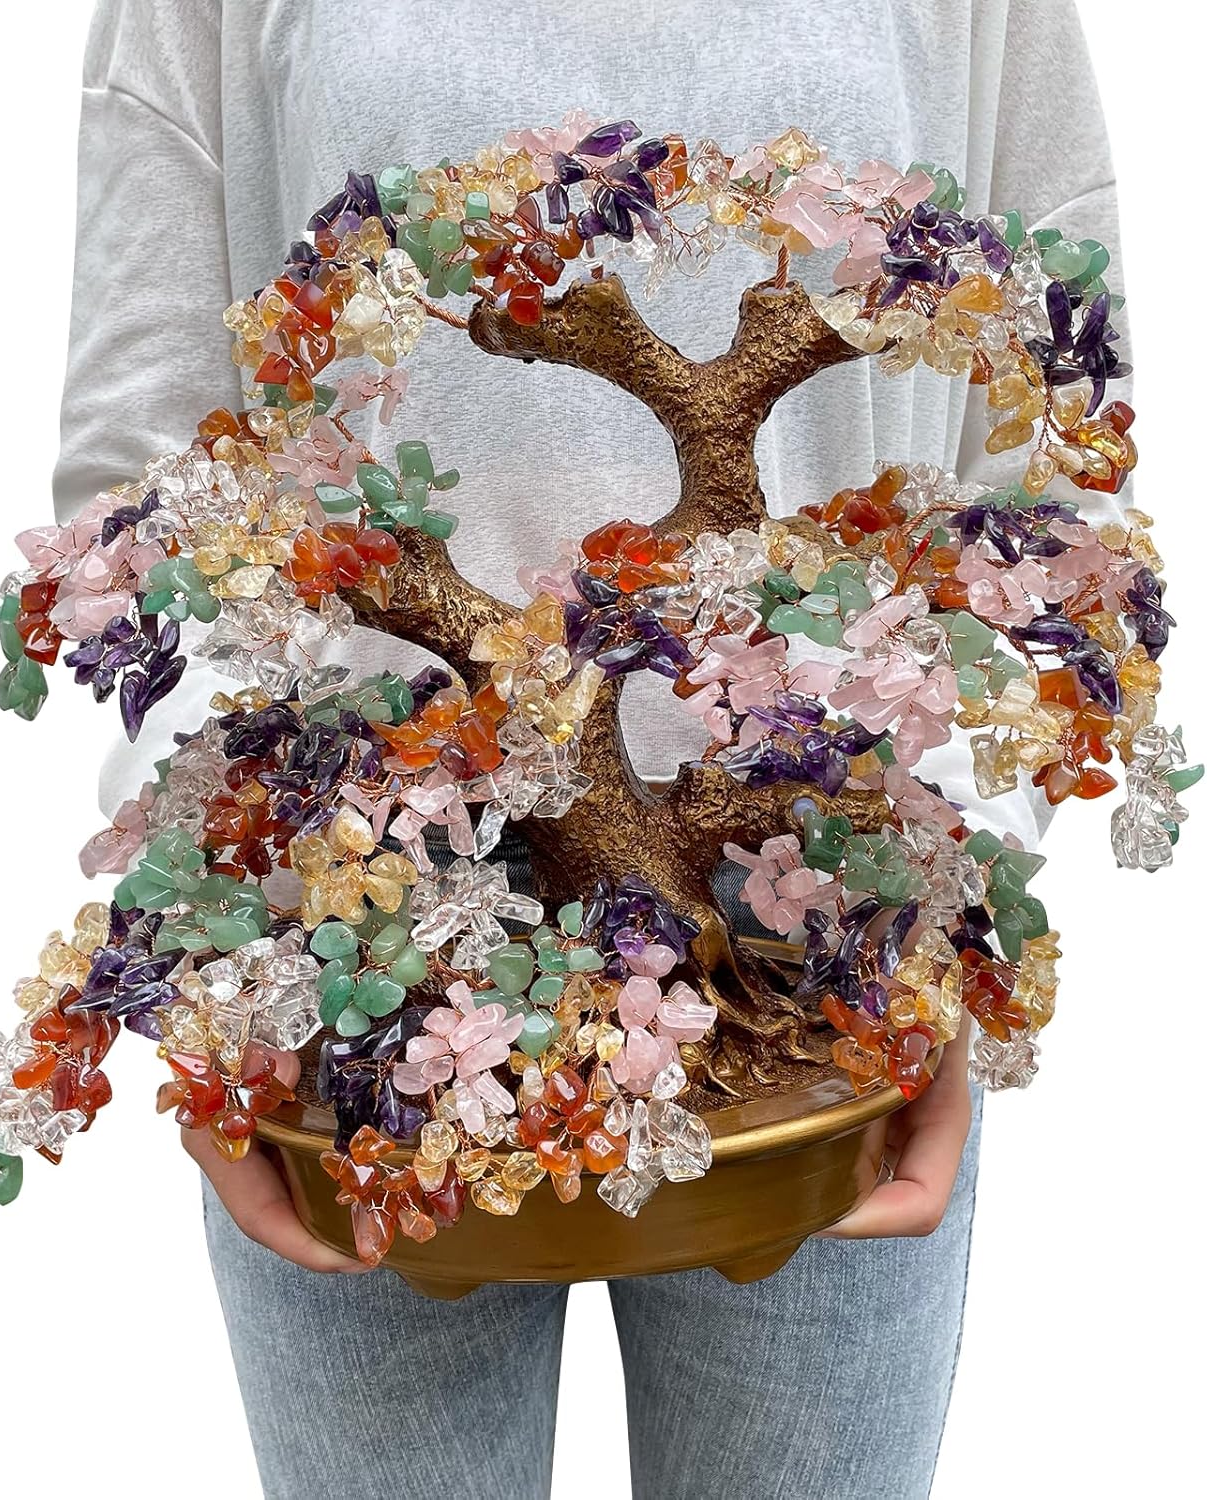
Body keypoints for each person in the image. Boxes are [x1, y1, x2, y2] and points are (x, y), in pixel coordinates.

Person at [55, 3, 1129, 1495]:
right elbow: (144, 474)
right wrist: (211, 930)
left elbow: (1058, 444)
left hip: (819, 949)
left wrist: (951, 889)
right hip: (357, 956)